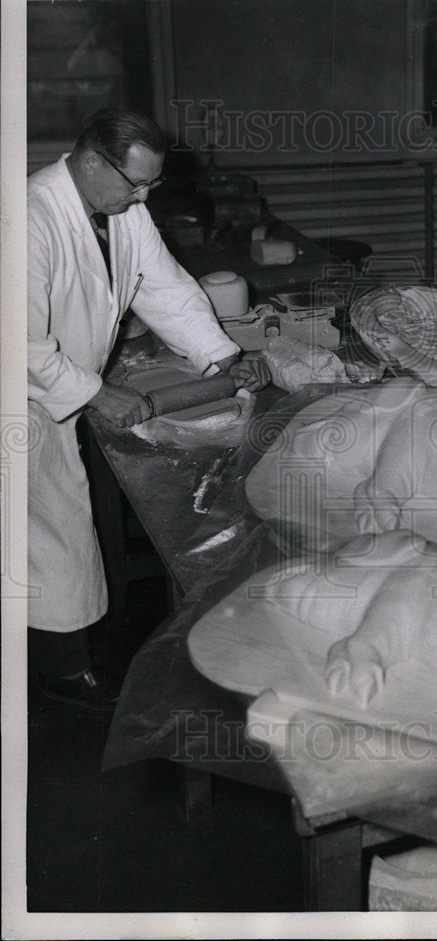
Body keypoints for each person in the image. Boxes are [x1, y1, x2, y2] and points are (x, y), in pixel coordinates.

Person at [27, 108, 270, 710]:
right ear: (89, 160)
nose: (141, 196)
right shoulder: (28, 217)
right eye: (133, 182)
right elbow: (17, 338)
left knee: (46, 532)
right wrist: (93, 391)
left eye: (150, 185)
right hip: (19, 394)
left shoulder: (122, 212)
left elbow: (162, 286)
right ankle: (60, 674)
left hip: (46, 390)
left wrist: (222, 357)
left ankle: (58, 664)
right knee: (46, 532)